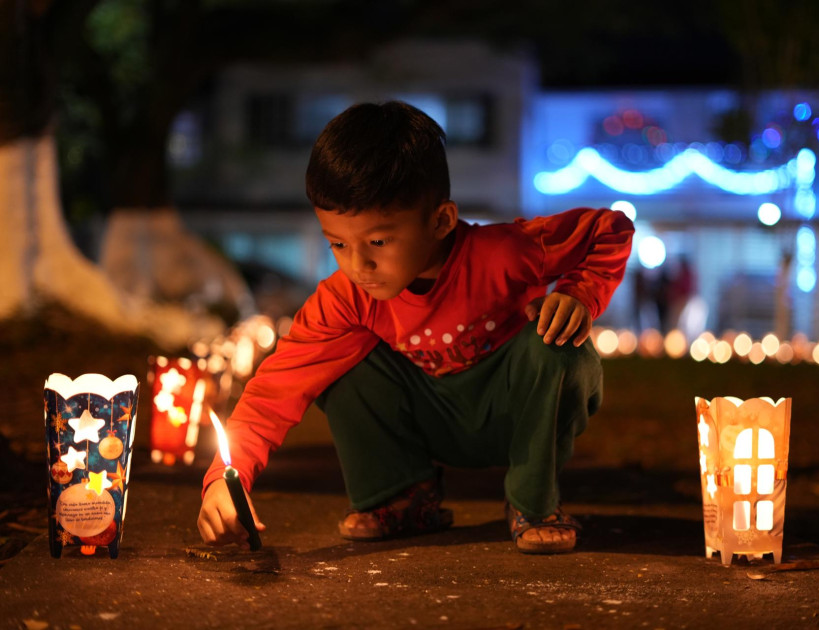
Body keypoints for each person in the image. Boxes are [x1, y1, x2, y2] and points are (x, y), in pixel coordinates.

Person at [197, 101, 635, 554]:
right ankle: (401, 497)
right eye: (338, 244)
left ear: (441, 220)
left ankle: (534, 503)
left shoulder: (502, 253)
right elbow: (275, 390)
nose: (359, 264)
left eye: (379, 241)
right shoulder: (346, 298)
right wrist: (224, 478)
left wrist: (579, 294)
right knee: (337, 368)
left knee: (560, 349)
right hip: (433, 418)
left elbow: (610, 228)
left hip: (519, 415)